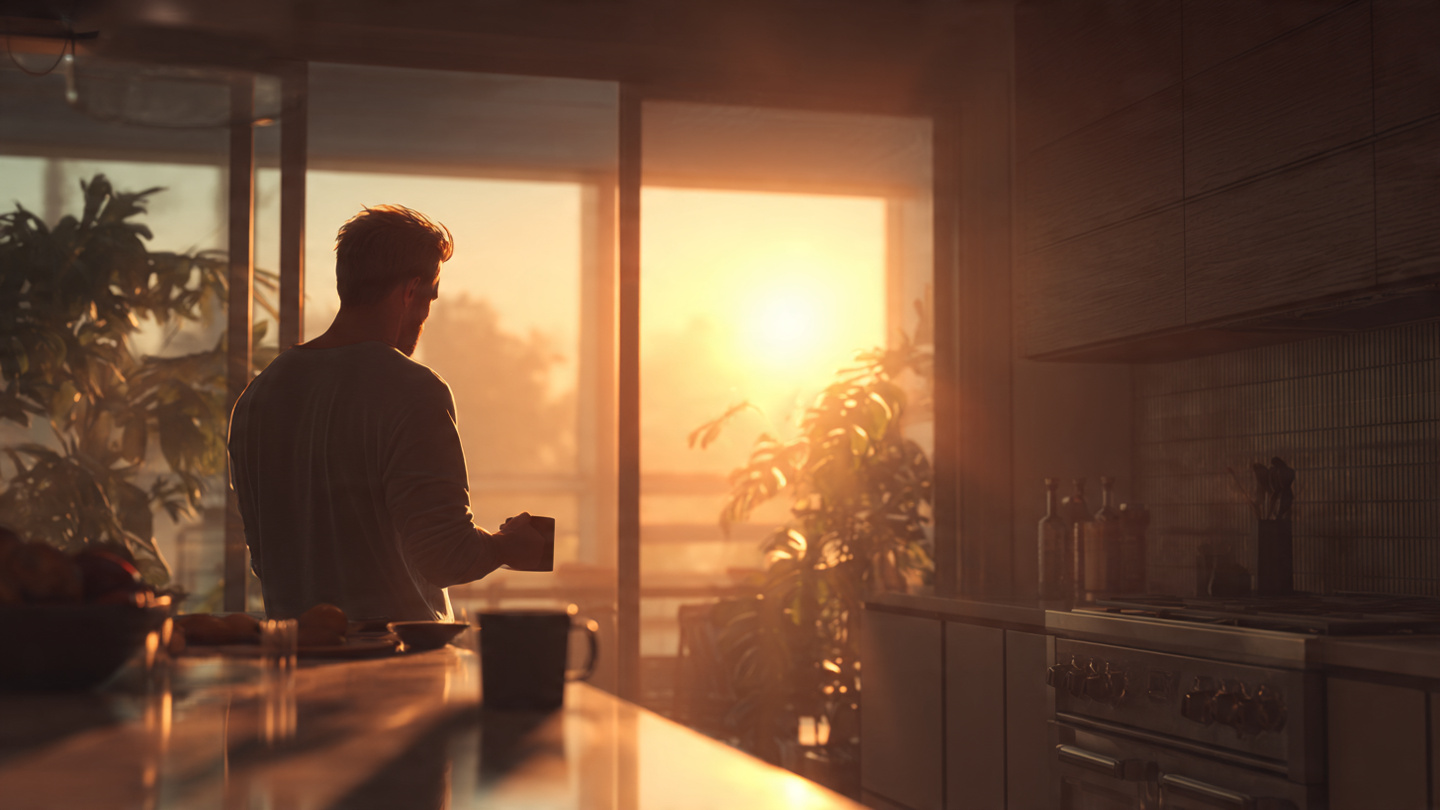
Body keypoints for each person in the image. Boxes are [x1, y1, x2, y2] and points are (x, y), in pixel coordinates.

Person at [227, 205, 548, 621]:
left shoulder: (258, 397)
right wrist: (507, 545)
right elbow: (447, 556)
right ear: (410, 291)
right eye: (430, 298)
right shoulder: (412, 390)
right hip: (398, 654)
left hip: (298, 651)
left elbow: (265, 559)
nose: (425, 318)